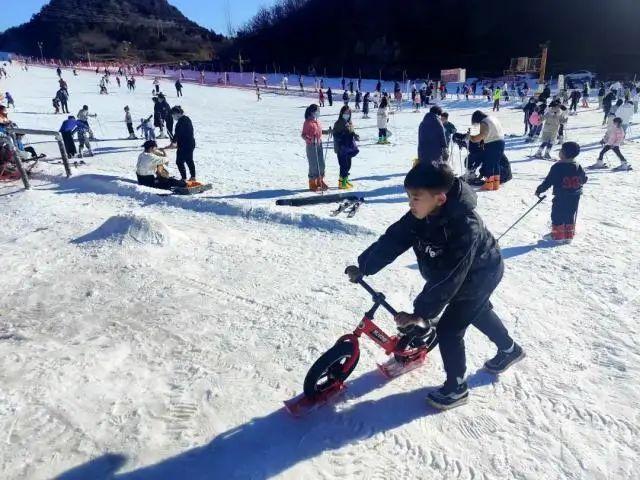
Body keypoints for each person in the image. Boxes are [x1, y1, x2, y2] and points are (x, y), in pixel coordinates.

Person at [345, 162, 524, 410]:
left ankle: (457, 388)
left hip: (479, 275)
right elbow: (395, 239)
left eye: (416, 198)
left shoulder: (465, 227)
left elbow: (449, 277)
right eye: (409, 196)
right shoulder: (422, 214)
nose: (410, 203)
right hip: (459, 274)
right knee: (478, 311)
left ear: (440, 198)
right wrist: (365, 265)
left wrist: (420, 314)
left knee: (450, 329)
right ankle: (510, 349)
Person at [535, 142, 587, 242]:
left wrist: (540, 190)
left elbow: (548, 181)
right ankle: (568, 236)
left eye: (561, 150)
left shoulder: (557, 167)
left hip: (561, 196)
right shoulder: (578, 165)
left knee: (557, 214)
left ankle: (557, 235)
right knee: (570, 214)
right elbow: (583, 179)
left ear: (563, 153)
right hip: (575, 196)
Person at [468, 110, 505, 190]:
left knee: (489, 164)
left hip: (492, 143)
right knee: (496, 164)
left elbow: (483, 134)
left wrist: (472, 138)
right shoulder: (492, 118)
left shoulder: (484, 122)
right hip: (501, 142)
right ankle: (496, 184)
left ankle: (488, 185)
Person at [301, 104, 329, 192]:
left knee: (321, 163)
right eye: (317, 111)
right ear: (312, 112)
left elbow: (318, 132)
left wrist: (327, 132)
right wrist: (309, 139)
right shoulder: (307, 122)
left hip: (319, 144)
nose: (318, 112)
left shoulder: (316, 122)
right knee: (313, 164)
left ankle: (320, 180)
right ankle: (312, 182)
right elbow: (303, 135)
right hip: (311, 145)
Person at [167, 106, 197, 182]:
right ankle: (192, 177)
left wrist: (173, 142)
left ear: (178, 113)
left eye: (173, 115)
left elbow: (178, 133)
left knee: (179, 161)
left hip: (185, 145)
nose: (173, 117)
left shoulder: (182, 121)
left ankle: (184, 178)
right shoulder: (186, 119)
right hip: (189, 143)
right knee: (189, 160)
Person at [333, 106, 360, 190]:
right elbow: (335, 134)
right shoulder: (339, 123)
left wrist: (355, 136)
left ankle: (345, 180)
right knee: (343, 165)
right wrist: (342, 136)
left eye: (348, 113)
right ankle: (341, 183)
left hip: (349, 147)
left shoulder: (350, 122)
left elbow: (352, 132)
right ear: (341, 113)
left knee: (348, 165)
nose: (347, 114)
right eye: (345, 112)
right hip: (342, 148)